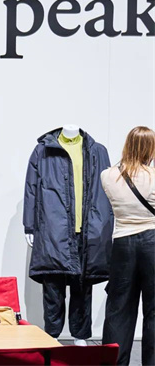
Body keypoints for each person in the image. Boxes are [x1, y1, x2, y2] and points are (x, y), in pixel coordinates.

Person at [101, 126, 155, 366]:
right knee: (153, 311)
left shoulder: (108, 175)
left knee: (118, 309)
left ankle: (113, 362)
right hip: (152, 242)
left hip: (122, 244)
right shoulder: (153, 177)